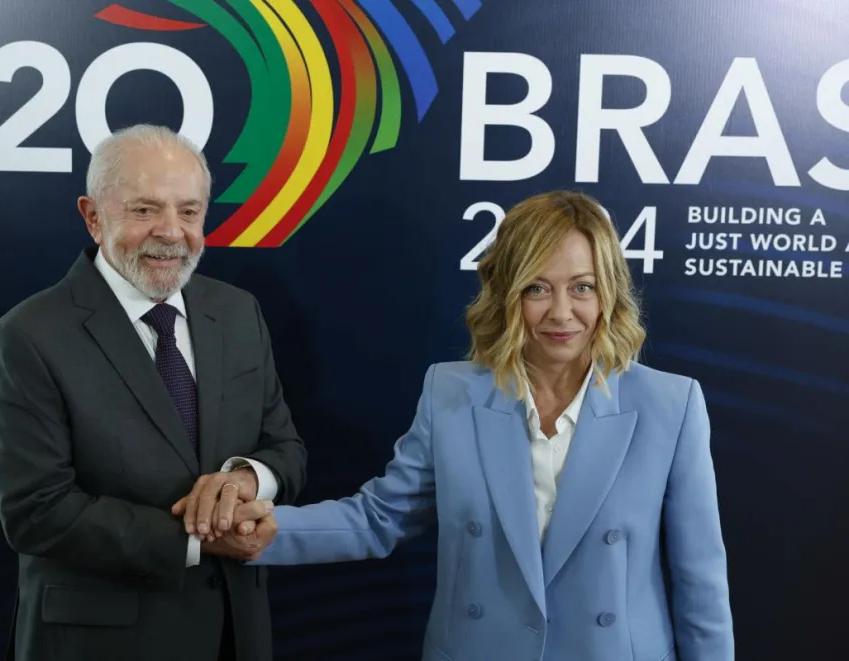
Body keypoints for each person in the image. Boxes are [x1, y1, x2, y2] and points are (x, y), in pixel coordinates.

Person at [202, 191, 734, 660]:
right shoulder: (451, 392)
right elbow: (379, 518)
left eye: (582, 287)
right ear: (508, 293)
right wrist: (267, 533)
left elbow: (700, 581)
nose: (561, 312)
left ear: (609, 292)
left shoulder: (670, 404)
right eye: (537, 288)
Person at [0, 123, 304, 661]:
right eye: (145, 209)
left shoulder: (238, 312)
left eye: (189, 211)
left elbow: (286, 448)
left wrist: (246, 479)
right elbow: (37, 511)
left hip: (236, 632)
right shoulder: (26, 337)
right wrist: (202, 537)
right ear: (93, 216)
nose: (172, 232)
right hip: (99, 643)